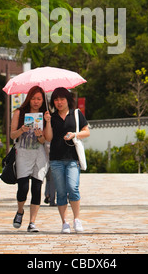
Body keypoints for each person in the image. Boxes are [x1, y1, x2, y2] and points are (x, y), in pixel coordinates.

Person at [44, 87, 90, 233]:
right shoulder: (51, 117)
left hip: (72, 158)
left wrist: (74, 134)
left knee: (73, 188)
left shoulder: (76, 114)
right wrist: (47, 122)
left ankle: (77, 219)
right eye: (56, 99)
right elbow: (49, 138)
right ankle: (65, 222)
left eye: (62, 99)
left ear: (68, 100)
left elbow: (86, 132)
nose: (59, 102)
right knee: (61, 192)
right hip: (56, 159)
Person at [10, 86, 49, 232]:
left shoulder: (45, 115)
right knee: (23, 187)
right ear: (28, 98)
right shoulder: (19, 113)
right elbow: (12, 135)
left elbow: (45, 140)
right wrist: (22, 130)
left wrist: (40, 135)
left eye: (39, 99)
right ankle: (20, 211)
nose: (36, 102)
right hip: (23, 154)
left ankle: (32, 222)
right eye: (33, 98)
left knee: (37, 188)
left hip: (39, 154)